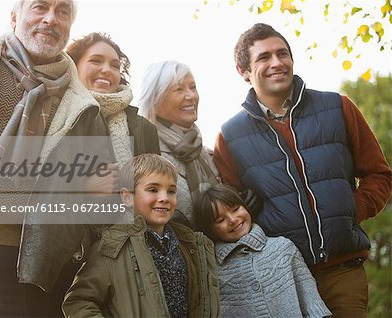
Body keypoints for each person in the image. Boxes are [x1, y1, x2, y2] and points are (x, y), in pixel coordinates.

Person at [0, 1, 109, 316]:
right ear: (14, 16)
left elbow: (95, 196)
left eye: (62, 12)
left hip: (26, 270)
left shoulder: (84, 108)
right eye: (40, 7)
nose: (50, 19)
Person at [214, 23, 392, 317]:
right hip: (281, 277)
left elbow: (379, 174)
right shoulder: (230, 136)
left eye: (282, 53)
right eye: (263, 57)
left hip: (343, 272)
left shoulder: (338, 107)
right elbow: (230, 208)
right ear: (243, 71)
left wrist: (351, 210)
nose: (276, 63)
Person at [62, 154, 220, 318]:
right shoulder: (111, 247)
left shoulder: (190, 244)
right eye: (153, 190)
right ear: (127, 196)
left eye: (171, 191)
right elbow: (79, 302)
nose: (164, 198)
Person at [195, 183, 332, 318]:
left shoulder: (283, 248)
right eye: (220, 220)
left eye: (235, 209)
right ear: (210, 231)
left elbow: (313, 305)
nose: (232, 219)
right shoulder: (211, 270)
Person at [139, 60, 220, 229]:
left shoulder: (204, 152)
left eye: (193, 87)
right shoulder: (148, 151)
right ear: (155, 100)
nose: (191, 96)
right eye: (178, 89)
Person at [66, 32, 160, 167]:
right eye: (96, 61)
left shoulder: (145, 129)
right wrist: (85, 186)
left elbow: (159, 183)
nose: (106, 70)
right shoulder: (56, 112)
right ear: (74, 66)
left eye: (115, 65)